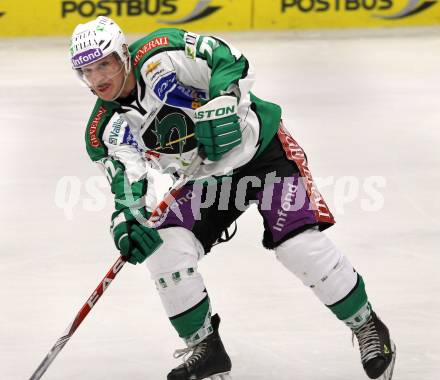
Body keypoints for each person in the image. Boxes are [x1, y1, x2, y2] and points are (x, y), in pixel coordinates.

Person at [70, 16, 396, 380]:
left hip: (262, 154)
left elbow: (229, 60)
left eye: (104, 64)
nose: (98, 78)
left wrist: (224, 101)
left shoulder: (162, 52)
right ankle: (207, 349)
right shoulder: (105, 131)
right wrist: (128, 223)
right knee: (164, 248)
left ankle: (367, 326)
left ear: (123, 56)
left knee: (298, 247)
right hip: (205, 179)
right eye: (86, 71)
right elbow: (128, 188)